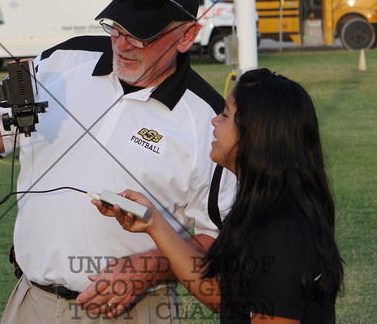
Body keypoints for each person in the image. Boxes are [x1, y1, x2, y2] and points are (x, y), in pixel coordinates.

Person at [0, 0, 237, 323]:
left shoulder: (209, 119)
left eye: (141, 34)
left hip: (136, 310)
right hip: (31, 301)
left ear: (187, 36)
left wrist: (148, 268)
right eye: (116, 27)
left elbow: (221, 244)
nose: (123, 44)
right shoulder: (62, 59)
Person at [93, 68, 344, 322]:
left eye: (225, 115)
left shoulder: (281, 232)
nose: (214, 120)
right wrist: (154, 223)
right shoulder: (262, 209)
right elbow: (217, 295)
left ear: (256, 134)